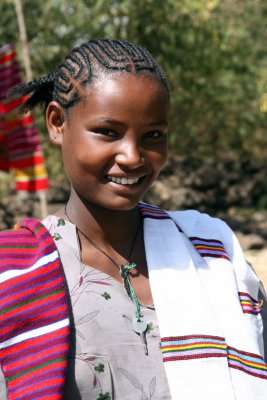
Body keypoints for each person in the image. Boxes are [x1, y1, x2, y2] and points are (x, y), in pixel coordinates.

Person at [0, 39, 267, 400]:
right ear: (57, 122)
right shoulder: (15, 274)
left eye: (153, 135)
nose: (132, 156)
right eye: (107, 132)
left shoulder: (212, 254)